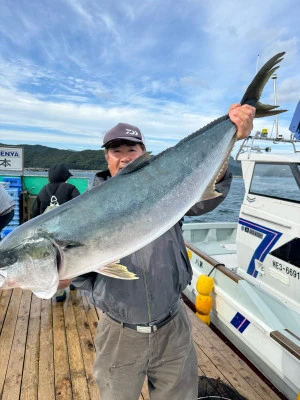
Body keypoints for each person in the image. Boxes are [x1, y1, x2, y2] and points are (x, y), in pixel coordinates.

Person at [61, 103, 255, 399]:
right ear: (106, 157)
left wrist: (233, 137)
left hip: (172, 324)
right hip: (119, 331)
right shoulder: (83, 209)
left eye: (132, 150)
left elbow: (206, 199)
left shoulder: (167, 187)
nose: (125, 158)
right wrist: (62, 275)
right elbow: (78, 269)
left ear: (144, 153)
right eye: (117, 151)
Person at [32, 163, 80, 301]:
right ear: (66, 177)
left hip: (49, 235)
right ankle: (73, 283)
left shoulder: (43, 190)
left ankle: (58, 293)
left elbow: (35, 211)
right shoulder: (71, 188)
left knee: (55, 263)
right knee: (72, 259)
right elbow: (80, 208)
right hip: (68, 233)